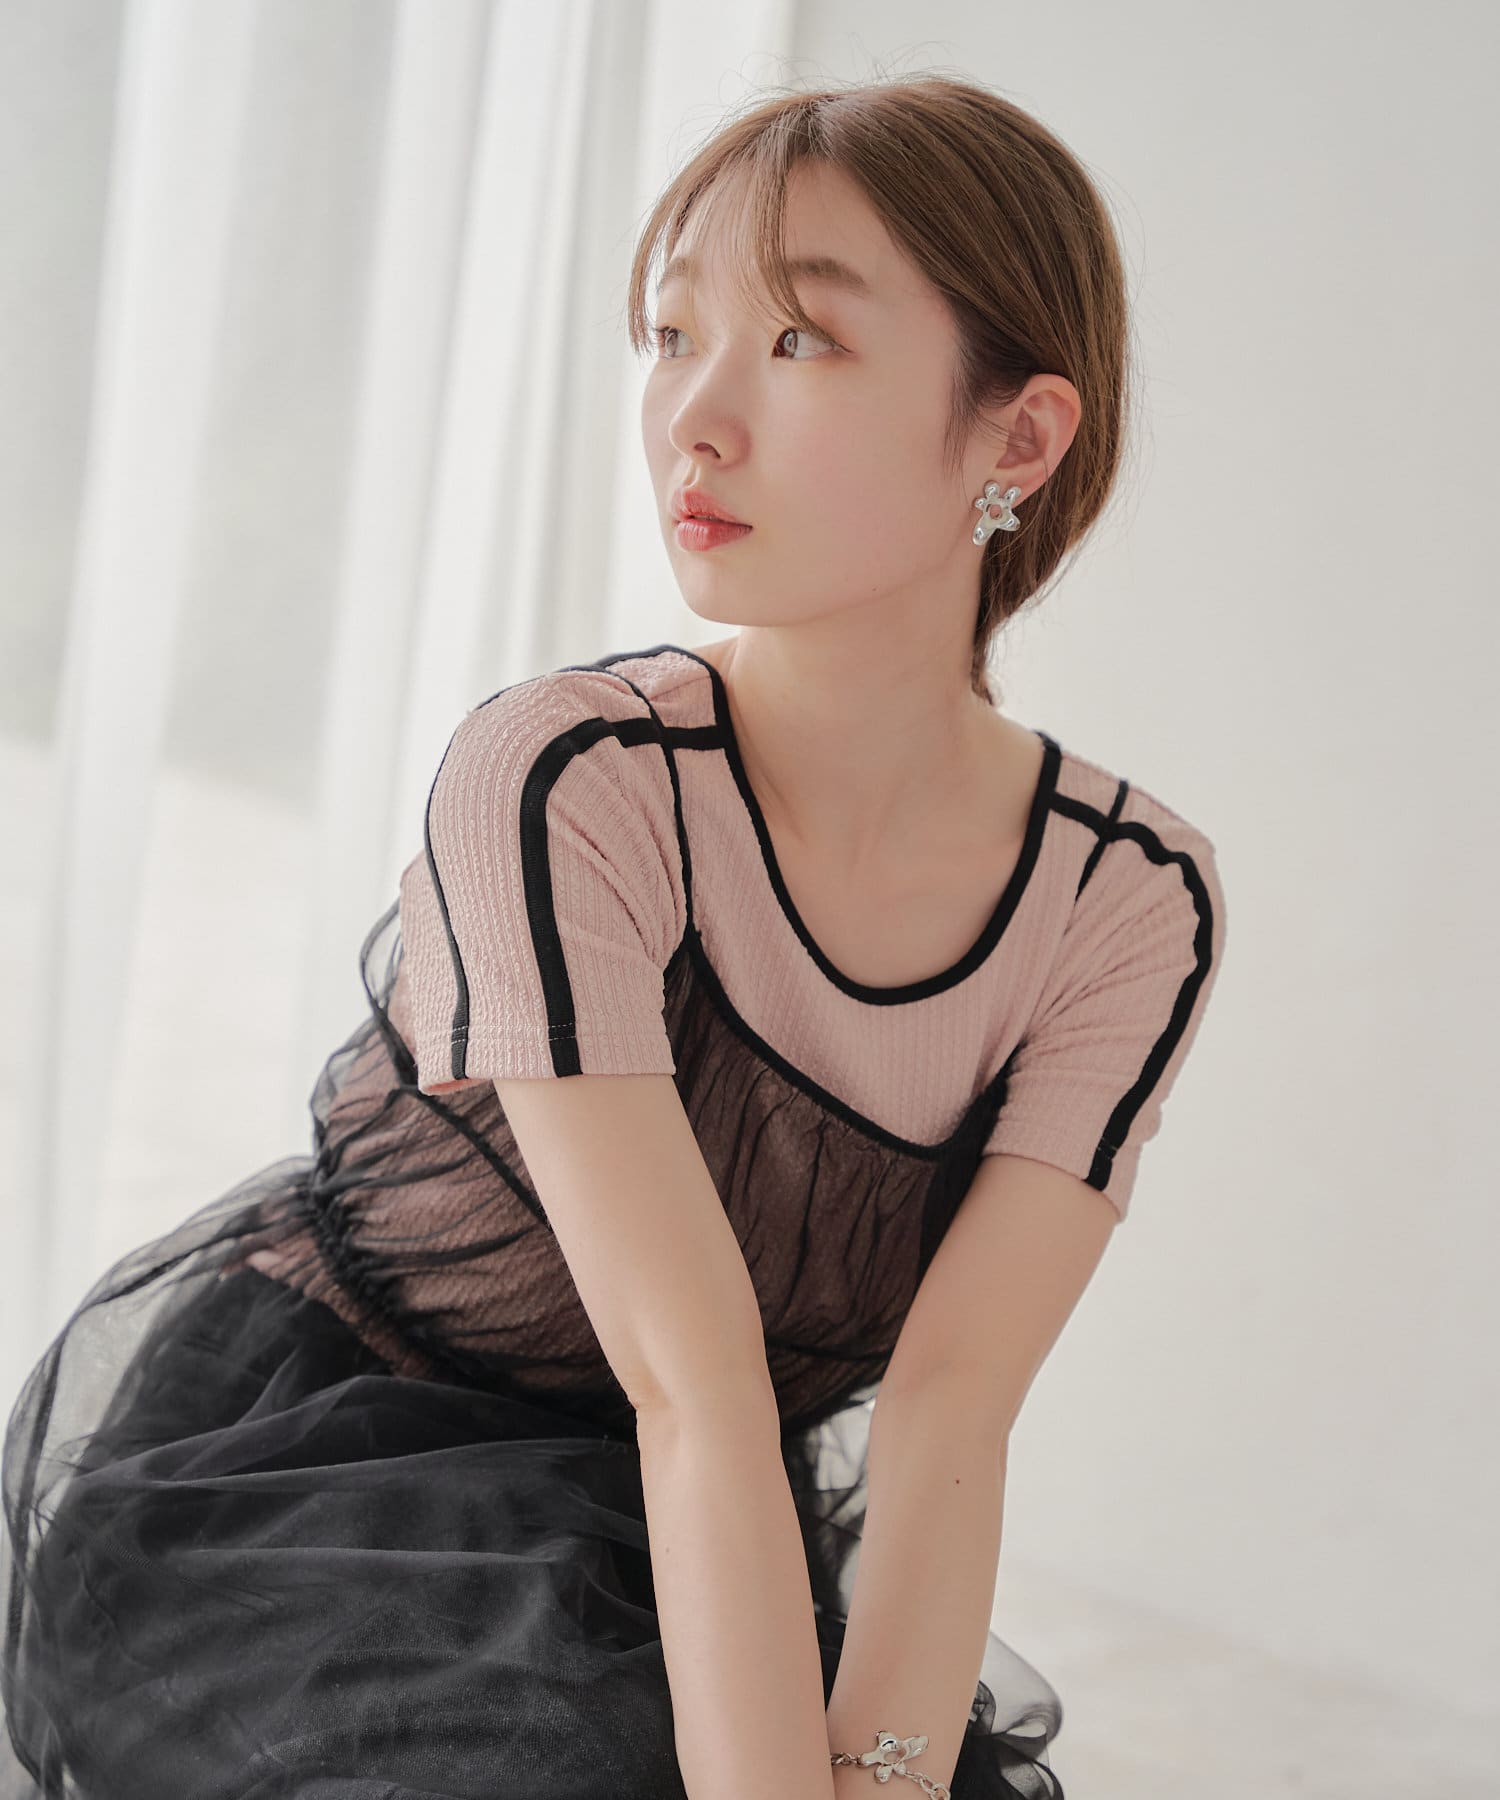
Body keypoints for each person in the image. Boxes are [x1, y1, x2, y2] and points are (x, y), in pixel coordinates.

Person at [0, 73, 1227, 1800]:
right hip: (318, 1478)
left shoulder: (1126, 901)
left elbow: (953, 1409)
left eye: (798, 340)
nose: (693, 419)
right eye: (668, 335)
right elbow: (690, 1378)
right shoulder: (572, 777)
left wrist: (880, 1778)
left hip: (678, 1526)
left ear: (1018, 442)